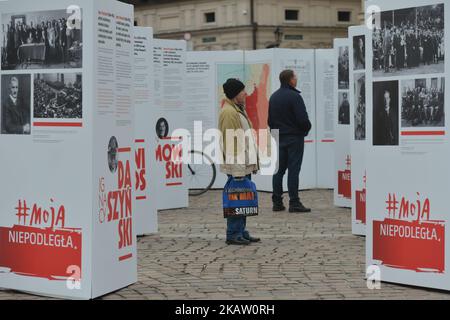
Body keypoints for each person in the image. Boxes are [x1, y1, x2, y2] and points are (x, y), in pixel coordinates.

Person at [218, 78, 260, 245]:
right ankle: (233, 232)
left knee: (243, 197)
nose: (245, 93)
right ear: (236, 93)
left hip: (243, 162)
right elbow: (231, 141)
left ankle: (241, 230)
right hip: (238, 163)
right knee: (237, 197)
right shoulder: (229, 112)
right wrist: (237, 168)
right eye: (242, 91)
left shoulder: (236, 109)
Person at [268, 70, 311, 213]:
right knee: (293, 170)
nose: (296, 79)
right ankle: (294, 202)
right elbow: (303, 120)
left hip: (278, 137)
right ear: (290, 80)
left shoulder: (273, 97)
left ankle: (277, 202)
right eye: (295, 77)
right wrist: (305, 130)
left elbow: (270, 121)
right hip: (294, 138)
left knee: (278, 171)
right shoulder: (295, 97)